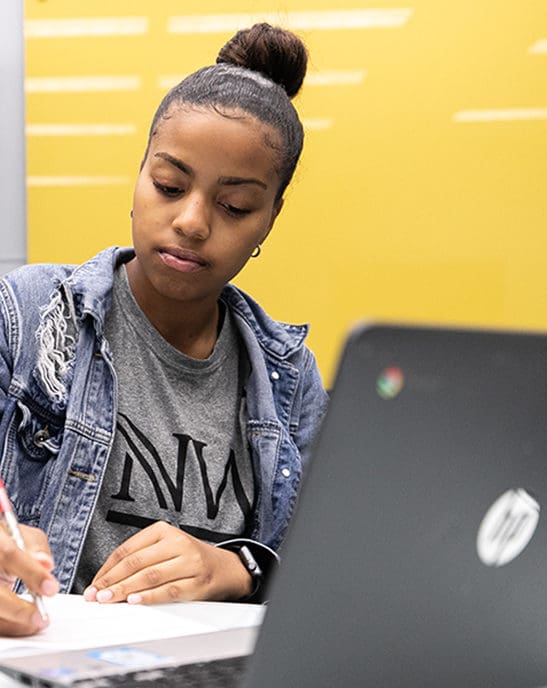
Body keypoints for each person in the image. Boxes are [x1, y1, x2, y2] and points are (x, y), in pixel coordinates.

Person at [0, 23, 328, 636]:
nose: (193, 221)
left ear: (271, 218)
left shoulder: (290, 379)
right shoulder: (27, 313)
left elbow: (333, 569)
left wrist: (238, 568)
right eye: (169, 185)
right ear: (139, 173)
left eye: (235, 206)